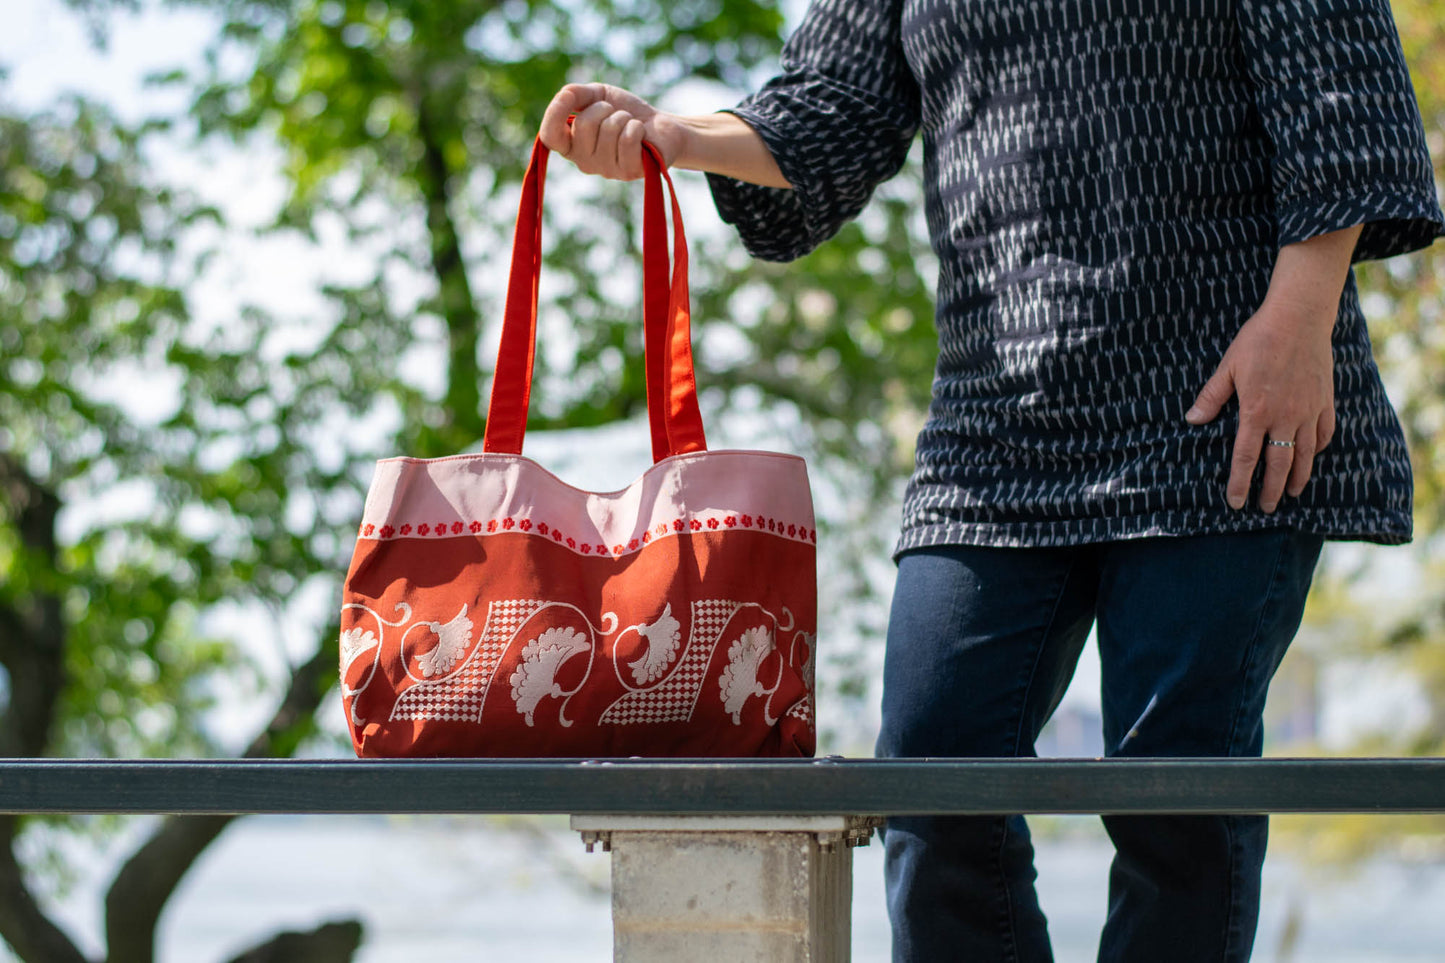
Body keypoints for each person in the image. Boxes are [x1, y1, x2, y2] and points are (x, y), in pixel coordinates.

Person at [540, 0, 1444, 959]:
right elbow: (825, 108)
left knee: (1173, 794)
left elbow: (1339, 95)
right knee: (929, 779)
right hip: (995, 422)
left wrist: (1300, 320)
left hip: (1221, 400)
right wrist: (674, 135)